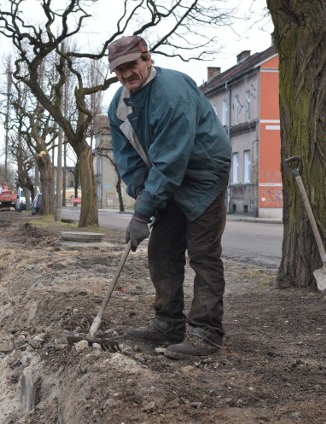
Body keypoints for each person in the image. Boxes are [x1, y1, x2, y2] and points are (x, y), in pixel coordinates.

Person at [106, 35, 231, 359]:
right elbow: (128, 159)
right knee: (162, 249)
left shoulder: (172, 93)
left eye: (132, 64)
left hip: (204, 173)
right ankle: (168, 323)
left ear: (147, 59)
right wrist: (142, 192)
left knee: (203, 253)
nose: (127, 74)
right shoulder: (118, 106)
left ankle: (206, 333)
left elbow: (170, 161)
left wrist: (142, 213)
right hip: (167, 176)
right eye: (119, 69)